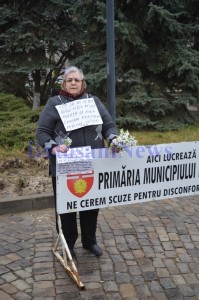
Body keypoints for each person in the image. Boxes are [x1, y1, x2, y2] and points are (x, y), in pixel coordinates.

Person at [36, 66, 118, 257]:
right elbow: (42, 131)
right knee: (67, 209)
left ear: (83, 83)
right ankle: (68, 244)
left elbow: (108, 125)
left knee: (91, 205)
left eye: (77, 80)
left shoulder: (93, 102)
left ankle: (90, 241)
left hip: (92, 163)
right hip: (65, 165)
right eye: (69, 80)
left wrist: (113, 138)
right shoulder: (54, 103)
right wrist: (52, 146)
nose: (73, 83)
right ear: (64, 83)